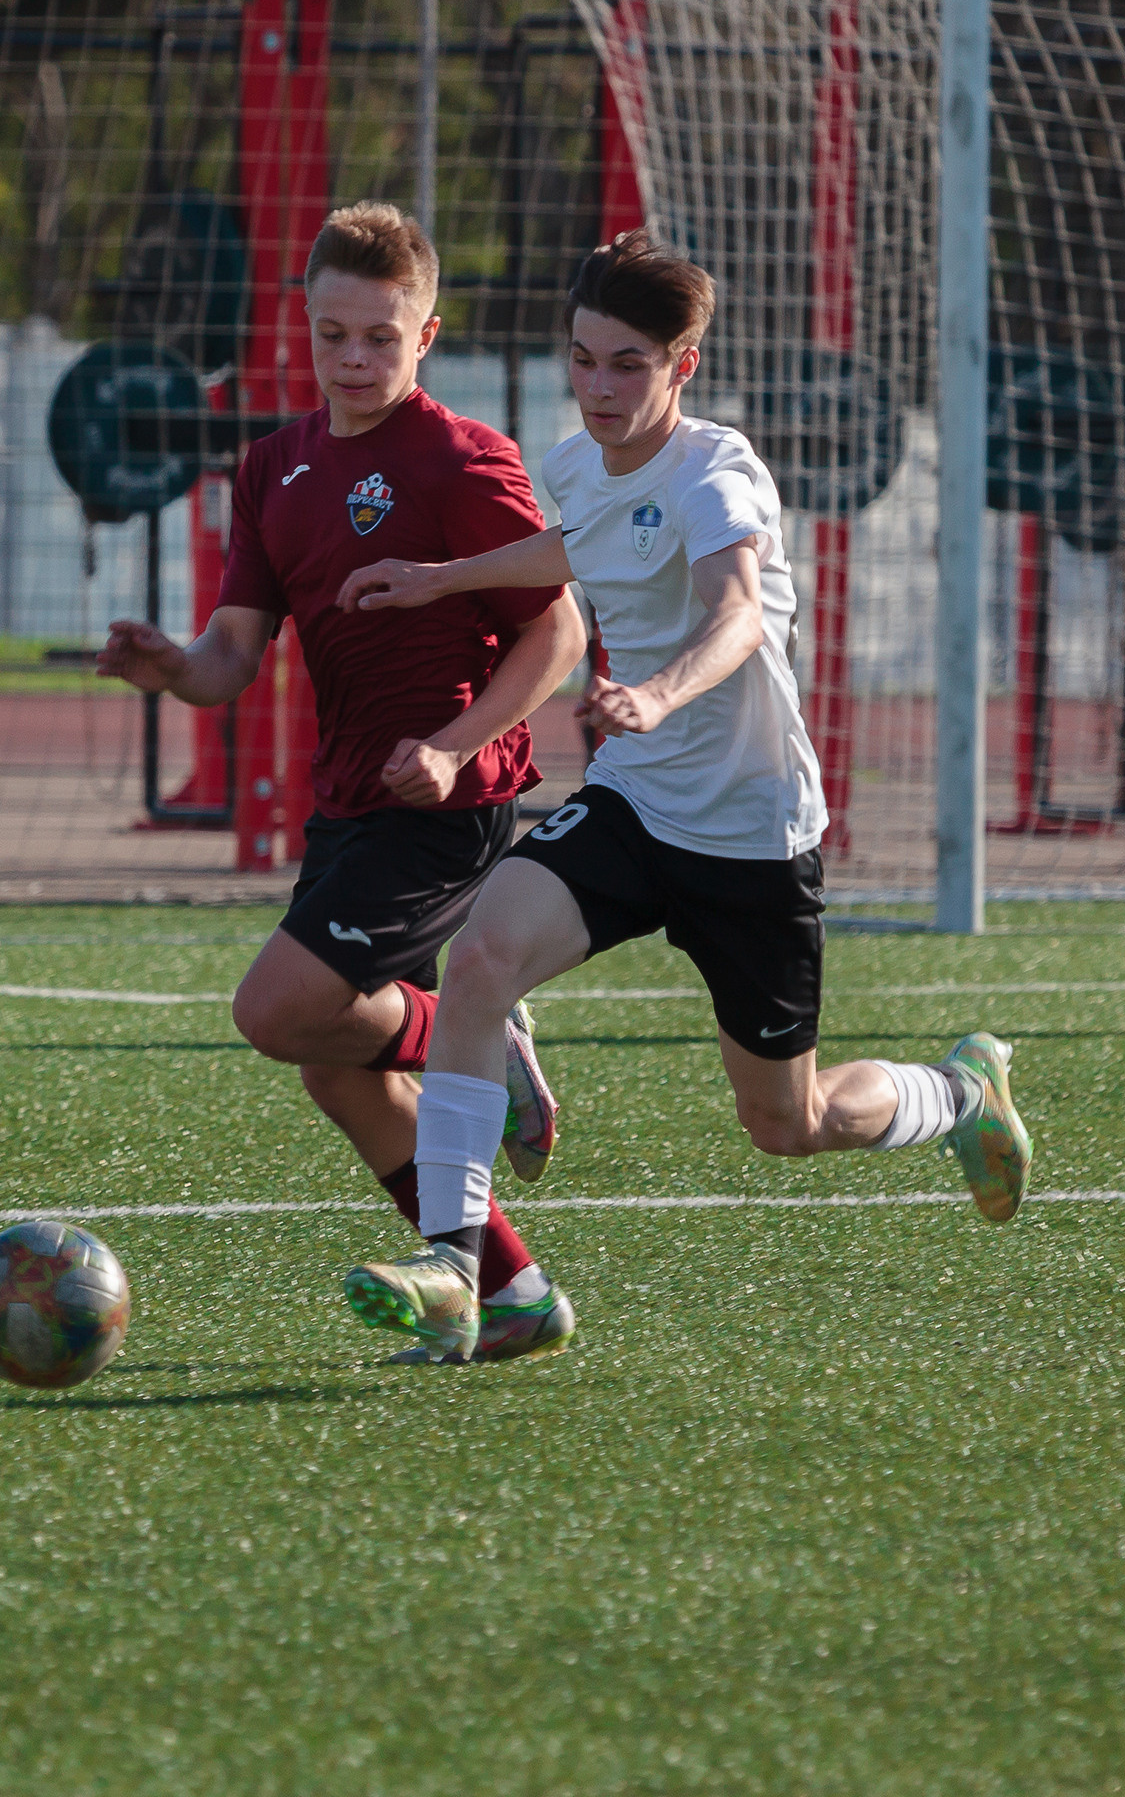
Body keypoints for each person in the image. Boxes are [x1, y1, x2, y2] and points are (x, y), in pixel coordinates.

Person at [333, 231, 1034, 1360]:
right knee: (480, 962)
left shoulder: (716, 470)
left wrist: (656, 693)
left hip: (750, 838)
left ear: (683, 367)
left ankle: (957, 1094)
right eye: (583, 358)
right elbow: (576, 546)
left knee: (786, 1123)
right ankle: (461, 1269)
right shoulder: (573, 461)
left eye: (628, 366)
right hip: (633, 805)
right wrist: (439, 581)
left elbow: (738, 613)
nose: (600, 387)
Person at [96, 202, 590, 1363]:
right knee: (334, 1069)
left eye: (381, 337)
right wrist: (169, 668)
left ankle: (467, 1022)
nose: (356, 360)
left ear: (425, 336)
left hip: (446, 810)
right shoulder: (275, 467)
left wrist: (458, 743)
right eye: (333, 336)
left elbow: (557, 634)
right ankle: (513, 1295)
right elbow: (229, 659)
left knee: (275, 1011)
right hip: (350, 804)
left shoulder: (463, 460)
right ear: (303, 331)